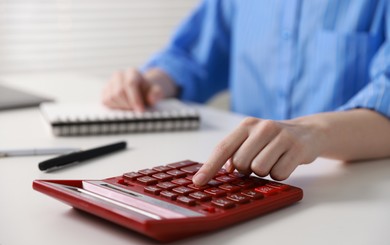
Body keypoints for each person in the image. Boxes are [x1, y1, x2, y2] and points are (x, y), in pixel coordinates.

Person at [102, 0, 390, 186]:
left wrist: (313, 132)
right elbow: (193, 55)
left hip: (346, 190)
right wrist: (152, 82)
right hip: (244, 182)